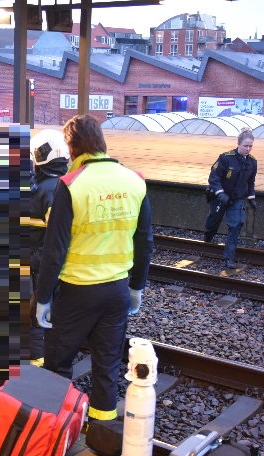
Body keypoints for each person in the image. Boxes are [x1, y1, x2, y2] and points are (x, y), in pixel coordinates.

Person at [34, 115, 153, 427]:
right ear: (102, 142)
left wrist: (43, 297)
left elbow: (54, 249)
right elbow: (144, 241)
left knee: (58, 361)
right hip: (116, 290)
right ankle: (103, 428)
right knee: (108, 362)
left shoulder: (71, 185)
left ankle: (53, 429)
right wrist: (136, 286)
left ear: (72, 147)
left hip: (77, 291)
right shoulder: (134, 180)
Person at [26, 129, 69, 366]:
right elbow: (58, 236)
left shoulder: (38, 185)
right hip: (43, 262)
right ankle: (40, 360)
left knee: (35, 313)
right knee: (39, 313)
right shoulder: (58, 188)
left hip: (34, 260)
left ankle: (38, 357)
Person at [203, 128, 258, 269]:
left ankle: (229, 258)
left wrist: (251, 197)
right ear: (238, 144)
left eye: (250, 146)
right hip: (220, 197)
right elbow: (213, 178)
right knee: (214, 221)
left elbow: (250, 182)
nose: (248, 149)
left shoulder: (252, 162)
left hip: (236, 198)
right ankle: (208, 235)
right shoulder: (226, 158)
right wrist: (221, 193)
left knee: (237, 224)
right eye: (245, 146)